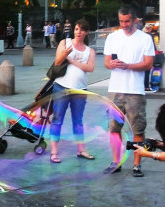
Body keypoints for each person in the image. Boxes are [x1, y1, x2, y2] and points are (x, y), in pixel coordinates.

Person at [103, 5, 155, 177]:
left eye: (127, 21)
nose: (124, 24)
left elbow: (148, 64)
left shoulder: (145, 38)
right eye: (121, 21)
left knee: (137, 129)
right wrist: (112, 64)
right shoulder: (112, 37)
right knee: (114, 128)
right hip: (115, 89)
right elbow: (106, 62)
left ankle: (136, 164)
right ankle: (116, 162)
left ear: (134, 20)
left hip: (135, 90)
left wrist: (128, 66)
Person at [49, 19, 96, 163]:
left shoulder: (90, 51)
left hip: (80, 90)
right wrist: (65, 54)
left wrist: (73, 61)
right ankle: (54, 152)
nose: (79, 32)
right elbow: (57, 62)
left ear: (86, 32)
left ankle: (81, 150)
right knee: (57, 119)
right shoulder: (65, 42)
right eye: (76, 29)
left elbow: (90, 68)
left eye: (82, 30)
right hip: (62, 86)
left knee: (78, 121)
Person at [143, 23, 156, 92]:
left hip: (142, 56)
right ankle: (146, 86)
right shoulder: (149, 36)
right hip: (148, 55)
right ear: (149, 28)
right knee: (147, 71)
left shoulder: (142, 35)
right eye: (151, 28)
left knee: (144, 71)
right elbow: (152, 46)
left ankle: (144, 85)